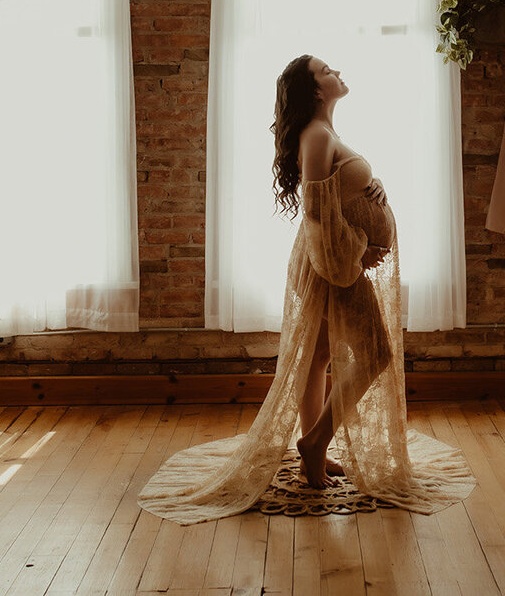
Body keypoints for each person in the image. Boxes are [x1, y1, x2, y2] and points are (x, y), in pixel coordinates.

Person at [138, 54, 473, 525]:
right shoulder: (316, 135)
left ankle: (312, 447)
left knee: (318, 356)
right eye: (327, 70)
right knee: (375, 353)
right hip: (331, 265)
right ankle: (315, 441)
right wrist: (355, 254)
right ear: (316, 90)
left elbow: (334, 194)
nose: (339, 71)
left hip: (332, 260)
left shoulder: (326, 134)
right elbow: (316, 215)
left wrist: (371, 187)